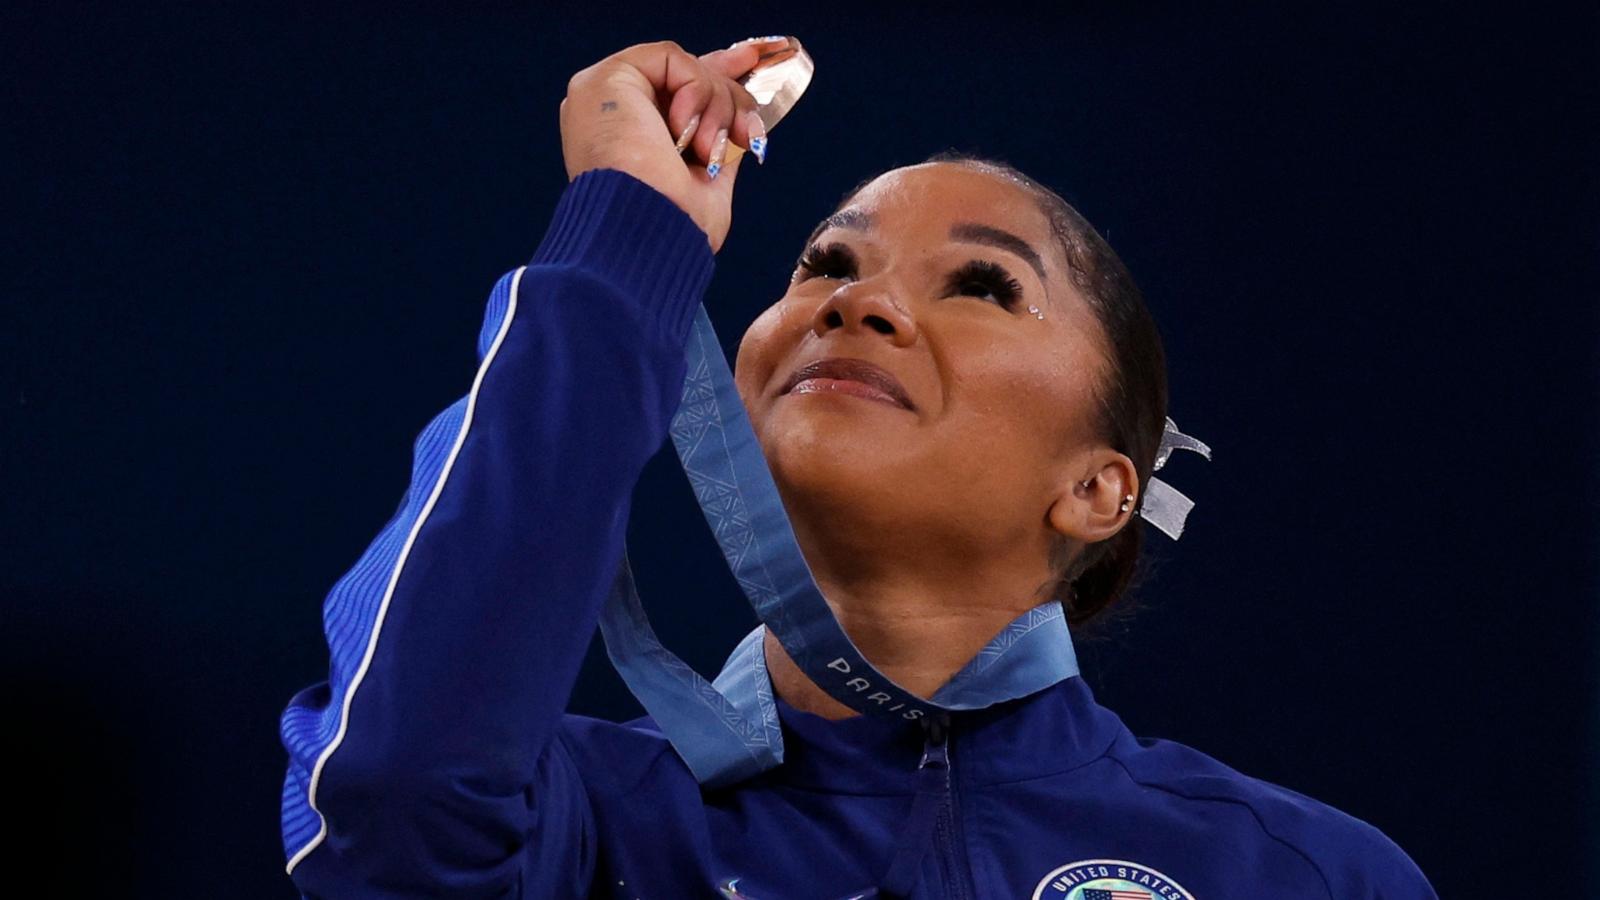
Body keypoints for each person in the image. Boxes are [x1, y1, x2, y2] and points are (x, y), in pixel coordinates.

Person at [277, 37, 1437, 899]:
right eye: (823, 262)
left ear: (1099, 488)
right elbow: (389, 806)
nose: (856, 302)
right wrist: (629, 235)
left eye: (984, 285)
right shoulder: (581, 820)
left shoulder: (1302, 873)